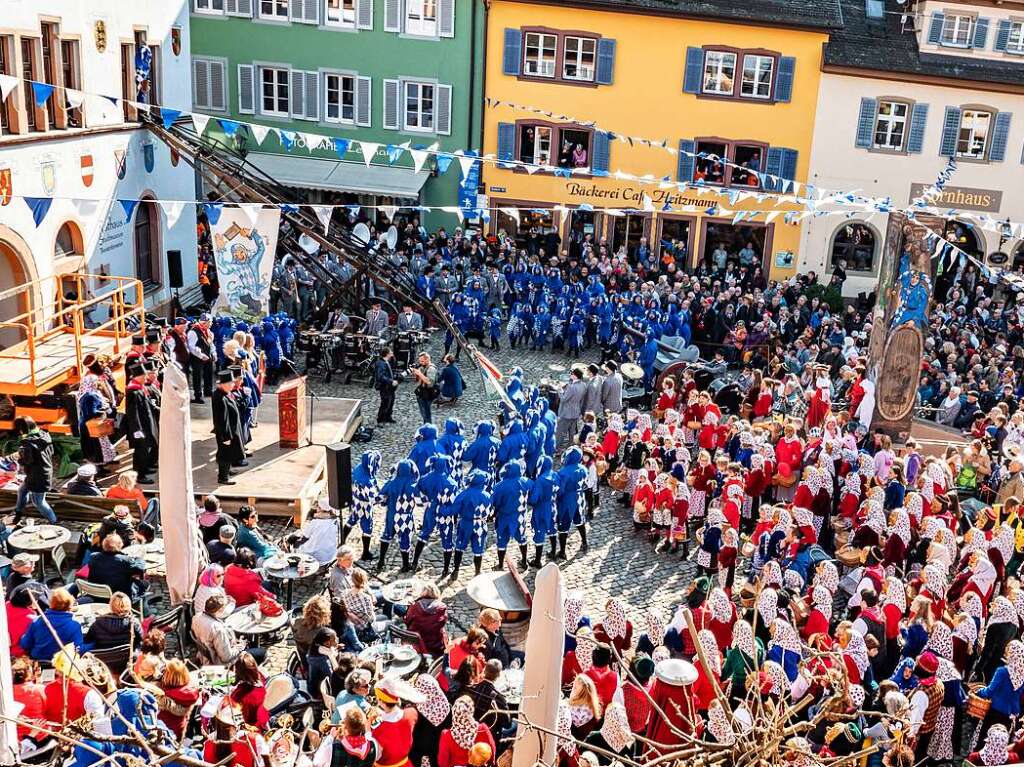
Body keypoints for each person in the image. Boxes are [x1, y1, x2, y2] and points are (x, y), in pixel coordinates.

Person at [192, 594, 265, 665]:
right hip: (221, 663)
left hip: (208, 654)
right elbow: (226, 658)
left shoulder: (197, 617)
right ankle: (249, 672)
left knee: (247, 641)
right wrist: (240, 647)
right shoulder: (218, 629)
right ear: (220, 610)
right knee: (262, 652)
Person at [10, 416, 57, 523]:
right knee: (22, 491)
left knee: (39, 502)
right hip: (42, 472)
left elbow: (27, 461)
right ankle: (18, 513)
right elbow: (51, 452)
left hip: (38, 477)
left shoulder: (28, 443)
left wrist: (19, 457)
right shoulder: (44, 435)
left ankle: (54, 522)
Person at [19, 588, 85, 661]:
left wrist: (23, 637)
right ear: (69, 605)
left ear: (51, 603)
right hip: (62, 665)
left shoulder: (37, 622)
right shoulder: (74, 626)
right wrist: (92, 645)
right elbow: (78, 650)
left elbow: (25, 644)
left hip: (40, 662)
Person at [85, 534, 147, 601]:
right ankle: (142, 607)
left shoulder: (93, 557)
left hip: (96, 595)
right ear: (119, 545)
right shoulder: (125, 561)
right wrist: (138, 559)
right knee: (144, 584)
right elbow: (140, 569)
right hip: (118, 598)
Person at [124, 363, 159, 483]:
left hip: (145, 424)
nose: (146, 378)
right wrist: (137, 430)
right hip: (140, 427)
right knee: (141, 451)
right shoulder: (133, 391)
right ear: (138, 376)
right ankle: (140, 475)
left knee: (144, 450)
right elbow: (133, 414)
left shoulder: (140, 388)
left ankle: (143, 469)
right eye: (144, 376)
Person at [438, 696, 496, 767]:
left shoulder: (446, 735)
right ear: (471, 711)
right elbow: (492, 751)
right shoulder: (483, 729)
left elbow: (443, 763)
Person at [212, 369, 245, 485]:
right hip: (226, 433)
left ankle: (228, 470)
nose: (233, 385)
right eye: (230, 383)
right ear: (223, 385)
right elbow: (222, 419)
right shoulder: (219, 398)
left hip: (231, 430)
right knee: (224, 454)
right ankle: (223, 477)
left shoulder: (225, 394)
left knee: (230, 453)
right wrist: (225, 437)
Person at [156, 659, 200, 740]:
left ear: (169, 676)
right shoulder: (189, 691)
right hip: (180, 728)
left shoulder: (161, 693)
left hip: (165, 730)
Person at [403, 583, 449, 657]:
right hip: (435, 642)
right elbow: (443, 622)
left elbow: (407, 621)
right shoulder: (442, 607)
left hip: (417, 640)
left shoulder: (415, 605)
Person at [556, 368, 588, 452]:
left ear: (575, 375)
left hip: (566, 413)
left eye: (571, 374)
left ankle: (557, 448)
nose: (570, 375)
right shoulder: (584, 385)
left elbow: (563, 399)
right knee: (572, 432)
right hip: (576, 411)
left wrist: (559, 389)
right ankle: (570, 447)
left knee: (561, 432)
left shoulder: (571, 387)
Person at [187, 314, 215, 403]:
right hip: (197, 358)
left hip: (207, 357)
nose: (211, 324)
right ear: (205, 322)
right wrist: (201, 355)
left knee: (208, 374)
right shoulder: (194, 331)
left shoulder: (209, 332)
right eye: (210, 322)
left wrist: (213, 353)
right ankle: (198, 395)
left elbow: (211, 344)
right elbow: (191, 346)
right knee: (197, 377)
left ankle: (208, 391)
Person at [411, 352, 439, 424]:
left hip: (428, 393)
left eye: (422, 361)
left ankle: (428, 427)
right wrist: (416, 374)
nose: (420, 363)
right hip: (422, 392)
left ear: (427, 360)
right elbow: (418, 380)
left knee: (426, 413)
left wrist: (419, 374)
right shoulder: (423, 367)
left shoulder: (431, 369)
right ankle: (426, 425)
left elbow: (429, 382)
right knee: (424, 412)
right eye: (419, 361)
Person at [375, 349, 398, 426]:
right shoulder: (381, 363)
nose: (392, 354)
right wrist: (391, 381)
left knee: (391, 401)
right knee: (385, 403)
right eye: (391, 353)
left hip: (389, 387)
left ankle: (388, 417)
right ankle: (380, 420)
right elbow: (380, 376)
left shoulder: (387, 362)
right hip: (385, 387)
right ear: (387, 354)